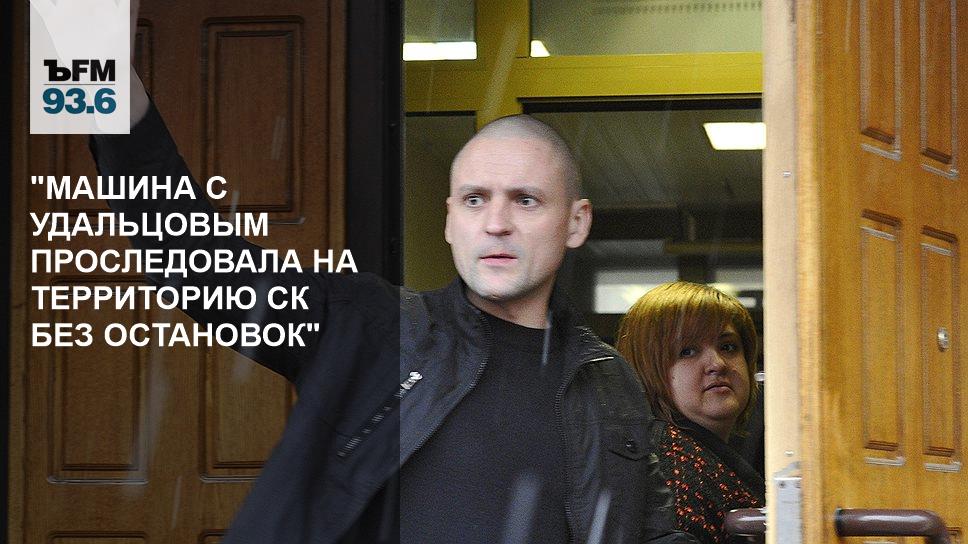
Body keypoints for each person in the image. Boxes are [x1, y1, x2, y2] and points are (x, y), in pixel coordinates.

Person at [88, 57, 696, 541]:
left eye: (526, 200)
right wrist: (94, 53)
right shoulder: (375, 330)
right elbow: (202, 266)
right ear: (450, 220)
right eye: (475, 200)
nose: (496, 223)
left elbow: (650, 531)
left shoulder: (608, 379)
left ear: (576, 222)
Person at [615, 282, 765, 544]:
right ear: (647, 368)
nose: (717, 364)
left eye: (728, 347)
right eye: (687, 351)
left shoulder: (691, 451)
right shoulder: (669, 466)